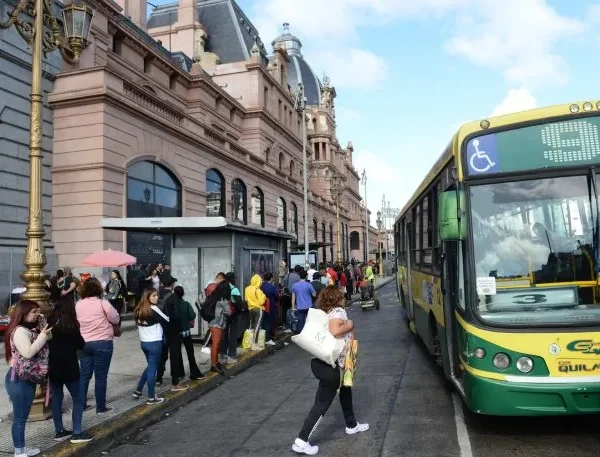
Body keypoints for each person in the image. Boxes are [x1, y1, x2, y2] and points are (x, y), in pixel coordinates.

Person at [292, 286, 369, 455]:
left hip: (327, 364)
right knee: (321, 405)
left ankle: (351, 425)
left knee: (345, 390)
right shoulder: (338, 313)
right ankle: (301, 441)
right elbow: (335, 330)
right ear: (337, 298)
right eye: (341, 296)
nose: (344, 298)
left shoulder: (326, 312)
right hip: (331, 366)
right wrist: (350, 324)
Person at [4, 300, 51, 457]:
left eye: (38, 311)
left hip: (26, 378)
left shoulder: (31, 329)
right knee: (19, 417)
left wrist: (43, 325)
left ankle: (22, 448)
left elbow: (49, 336)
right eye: (34, 312)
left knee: (23, 416)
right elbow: (28, 352)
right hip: (18, 379)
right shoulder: (20, 332)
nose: (37, 314)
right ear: (23, 313)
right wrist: (42, 336)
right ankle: (19, 451)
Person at [47, 299, 92, 444]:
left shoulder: (50, 326)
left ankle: (59, 431)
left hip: (53, 367)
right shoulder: (72, 327)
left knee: (57, 399)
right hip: (70, 367)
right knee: (78, 398)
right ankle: (77, 432)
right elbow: (81, 344)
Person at [76, 277, 120, 413]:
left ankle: (81, 404)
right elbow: (115, 318)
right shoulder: (103, 303)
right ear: (98, 289)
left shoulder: (78, 304)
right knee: (101, 376)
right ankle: (100, 407)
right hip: (102, 343)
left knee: (84, 375)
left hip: (83, 343)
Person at [133, 288, 170, 404]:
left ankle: (138, 390)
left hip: (144, 343)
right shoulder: (154, 309)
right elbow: (167, 320)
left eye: (157, 296)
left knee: (150, 367)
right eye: (153, 296)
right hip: (155, 343)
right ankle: (151, 397)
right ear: (147, 297)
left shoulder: (139, 309)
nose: (156, 298)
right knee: (152, 369)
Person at [162, 277, 187, 391]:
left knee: (162, 356)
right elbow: (176, 316)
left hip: (162, 331)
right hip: (174, 331)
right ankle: (175, 383)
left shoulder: (157, 296)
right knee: (175, 356)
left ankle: (158, 378)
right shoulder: (174, 298)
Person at [174, 285, 204, 380]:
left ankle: (180, 373)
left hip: (176, 334)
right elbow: (192, 315)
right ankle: (194, 372)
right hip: (186, 333)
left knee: (178, 353)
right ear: (183, 294)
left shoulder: (172, 305)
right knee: (190, 353)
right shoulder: (186, 304)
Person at [206, 273, 231, 375]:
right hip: (217, 324)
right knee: (216, 344)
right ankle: (214, 365)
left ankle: (216, 362)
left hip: (213, 323)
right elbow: (228, 312)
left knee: (216, 344)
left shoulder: (215, 296)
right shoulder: (222, 300)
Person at [220, 272, 244, 364]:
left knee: (224, 334)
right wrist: (240, 309)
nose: (235, 280)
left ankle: (223, 355)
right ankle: (232, 355)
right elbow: (238, 303)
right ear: (231, 279)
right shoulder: (234, 289)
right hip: (233, 314)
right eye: (234, 279)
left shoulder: (221, 288)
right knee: (233, 334)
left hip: (223, 314)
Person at [245, 274, 267, 350]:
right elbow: (261, 302)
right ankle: (254, 344)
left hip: (250, 308)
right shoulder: (258, 290)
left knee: (252, 325)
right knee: (257, 326)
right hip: (258, 309)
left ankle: (249, 342)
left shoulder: (247, 289)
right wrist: (264, 296)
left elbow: (246, 299)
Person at [260, 272, 279, 345]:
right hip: (271, 305)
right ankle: (268, 338)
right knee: (269, 321)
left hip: (262, 305)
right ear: (271, 278)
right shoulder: (271, 286)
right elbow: (277, 296)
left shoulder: (261, 285)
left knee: (264, 321)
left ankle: (265, 337)